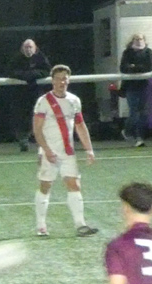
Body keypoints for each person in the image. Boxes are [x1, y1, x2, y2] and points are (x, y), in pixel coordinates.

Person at [32, 64, 98, 238]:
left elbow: (80, 126)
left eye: (65, 79)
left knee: (74, 185)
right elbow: (37, 129)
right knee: (45, 186)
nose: (62, 82)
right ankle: (41, 225)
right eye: (59, 79)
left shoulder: (74, 101)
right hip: (49, 152)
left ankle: (80, 224)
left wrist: (89, 149)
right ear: (52, 81)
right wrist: (46, 150)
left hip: (68, 152)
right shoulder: (43, 101)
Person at [8, 39, 51, 152]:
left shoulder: (41, 57)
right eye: (26, 47)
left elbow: (47, 71)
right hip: (20, 94)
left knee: (40, 116)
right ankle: (23, 141)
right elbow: (11, 72)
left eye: (30, 47)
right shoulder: (16, 59)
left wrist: (32, 75)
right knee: (22, 117)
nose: (28, 50)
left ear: (35, 48)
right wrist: (26, 76)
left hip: (37, 93)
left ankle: (42, 141)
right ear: (22, 49)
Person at [119, 34, 152, 148]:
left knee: (143, 113)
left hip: (144, 86)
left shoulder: (148, 52)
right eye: (136, 39)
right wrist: (139, 68)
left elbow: (149, 67)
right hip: (131, 86)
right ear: (132, 40)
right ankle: (127, 131)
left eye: (140, 39)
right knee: (134, 112)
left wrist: (133, 67)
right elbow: (123, 68)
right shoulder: (127, 52)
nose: (139, 41)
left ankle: (139, 137)